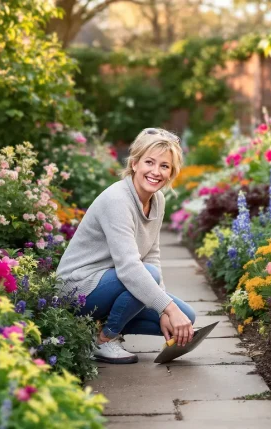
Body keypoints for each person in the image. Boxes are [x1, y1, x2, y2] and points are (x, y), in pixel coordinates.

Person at [56, 128, 196, 364]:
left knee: (186, 318)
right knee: (149, 281)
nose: (156, 171)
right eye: (149, 162)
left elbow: (152, 254)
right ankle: (104, 339)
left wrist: (164, 311)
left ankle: (93, 327)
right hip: (78, 288)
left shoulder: (157, 200)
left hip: (111, 284)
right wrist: (169, 308)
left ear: (172, 172)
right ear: (134, 163)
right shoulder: (117, 200)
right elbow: (131, 269)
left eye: (164, 166)